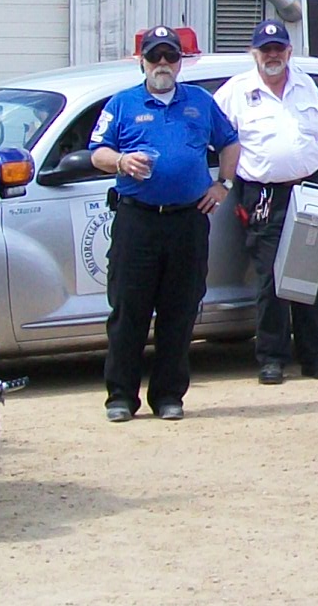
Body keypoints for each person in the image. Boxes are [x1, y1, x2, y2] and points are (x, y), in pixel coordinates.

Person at [89, 25, 239, 422]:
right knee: (129, 310)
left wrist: (223, 185)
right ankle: (121, 397)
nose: (162, 64)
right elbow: (97, 152)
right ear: (142, 62)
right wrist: (121, 161)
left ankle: (169, 395)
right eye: (154, 56)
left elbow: (230, 142)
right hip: (137, 220)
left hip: (187, 221)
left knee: (180, 311)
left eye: (170, 56)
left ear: (180, 62)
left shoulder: (200, 102)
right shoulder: (122, 103)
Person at [213, 19, 318, 383]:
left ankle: (314, 357)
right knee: (271, 278)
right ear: (254, 53)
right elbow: (214, 138)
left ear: (289, 51)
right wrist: (223, 181)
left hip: (310, 191)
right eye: (266, 49)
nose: (272, 55)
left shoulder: (306, 85)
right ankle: (272, 358)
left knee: (311, 275)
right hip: (264, 196)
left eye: (279, 49)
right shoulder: (235, 91)